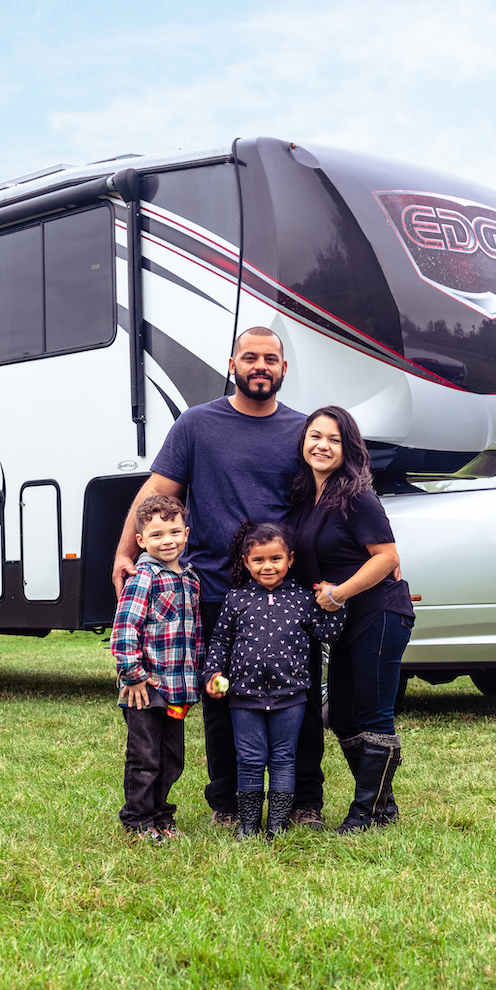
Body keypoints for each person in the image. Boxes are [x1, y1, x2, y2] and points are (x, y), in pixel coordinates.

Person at [112, 327, 324, 828]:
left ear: (283, 370)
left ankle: (304, 802)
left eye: (271, 359)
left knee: (303, 693)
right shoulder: (196, 425)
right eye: (250, 357)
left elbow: (336, 496)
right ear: (233, 364)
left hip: (286, 591)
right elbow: (157, 489)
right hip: (214, 588)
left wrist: (383, 550)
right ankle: (228, 805)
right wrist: (125, 550)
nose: (261, 366)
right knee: (219, 696)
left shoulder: (301, 431)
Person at [285, 405, 415, 832]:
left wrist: (338, 593)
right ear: (304, 441)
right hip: (342, 624)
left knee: (373, 715)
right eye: (316, 436)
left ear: (348, 448)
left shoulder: (357, 495)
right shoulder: (307, 497)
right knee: (341, 715)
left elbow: (387, 558)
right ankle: (382, 805)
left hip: (378, 615)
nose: (323, 445)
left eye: (334, 439)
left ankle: (369, 812)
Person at [202, 522, 346, 839]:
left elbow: (328, 634)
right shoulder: (236, 599)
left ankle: (278, 825)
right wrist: (213, 674)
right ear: (245, 562)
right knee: (250, 760)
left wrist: (335, 601)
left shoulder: (302, 599)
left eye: (275, 559)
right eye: (258, 560)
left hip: (290, 697)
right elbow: (220, 643)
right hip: (243, 698)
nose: (267, 566)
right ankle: (249, 826)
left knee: (283, 759)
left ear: (290, 559)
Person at [109, 494, 200, 844]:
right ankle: (137, 820)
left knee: (171, 757)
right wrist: (133, 675)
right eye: (158, 534)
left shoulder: (191, 580)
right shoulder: (143, 577)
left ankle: (163, 816)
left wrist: (201, 677)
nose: (168, 540)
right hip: (146, 688)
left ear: (186, 533)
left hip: (178, 688)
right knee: (145, 757)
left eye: (174, 532)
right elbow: (124, 629)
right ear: (141, 540)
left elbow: (196, 637)